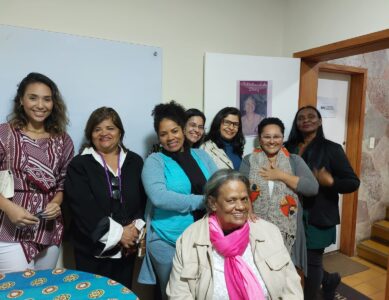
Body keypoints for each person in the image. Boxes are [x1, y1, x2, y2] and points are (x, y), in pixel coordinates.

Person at [167, 169, 303, 299]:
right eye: (231, 200)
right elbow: (179, 294)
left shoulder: (268, 232)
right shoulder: (190, 240)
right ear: (213, 203)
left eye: (244, 199)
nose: (241, 206)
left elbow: (291, 287)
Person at [138, 101, 217, 299]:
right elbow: (159, 197)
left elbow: (221, 185)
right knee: (174, 296)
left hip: (205, 238)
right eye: (163, 134)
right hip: (168, 241)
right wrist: (204, 201)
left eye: (174, 131)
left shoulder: (202, 156)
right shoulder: (154, 161)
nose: (170, 137)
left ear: (183, 129)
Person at [0, 72, 74, 273]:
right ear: (21, 101)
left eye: (47, 99)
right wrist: (8, 207)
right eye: (33, 97)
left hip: (49, 228)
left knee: (43, 289)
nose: (40, 105)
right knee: (17, 291)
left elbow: (64, 182)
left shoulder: (63, 140)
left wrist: (56, 203)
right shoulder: (4, 133)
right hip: (9, 225)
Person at [64, 107, 146, 288]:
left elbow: (142, 201)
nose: (104, 133)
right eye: (97, 129)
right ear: (90, 134)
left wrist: (134, 230)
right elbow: (82, 209)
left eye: (110, 128)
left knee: (122, 294)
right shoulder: (79, 164)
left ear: (120, 132)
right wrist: (119, 234)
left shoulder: (135, 162)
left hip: (127, 249)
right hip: (91, 250)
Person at [285, 106, 360, 300]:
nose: (306, 120)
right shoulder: (287, 147)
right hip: (290, 212)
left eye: (311, 117)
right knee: (295, 259)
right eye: (301, 118)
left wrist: (332, 182)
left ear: (319, 121)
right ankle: (328, 280)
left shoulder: (332, 149)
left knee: (312, 262)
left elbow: (353, 182)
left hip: (317, 216)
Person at [240, 117, 318, 278]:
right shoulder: (249, 161)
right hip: (256, 229)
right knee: (259, 276)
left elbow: (312, 188)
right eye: (267, 136)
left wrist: (280, 175)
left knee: (287, 278)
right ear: (259, 139)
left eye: (277, 136)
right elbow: (241, 190)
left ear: (283, 138)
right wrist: (247, 208)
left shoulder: (295, 161)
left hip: (288, 229)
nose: (272, 141)